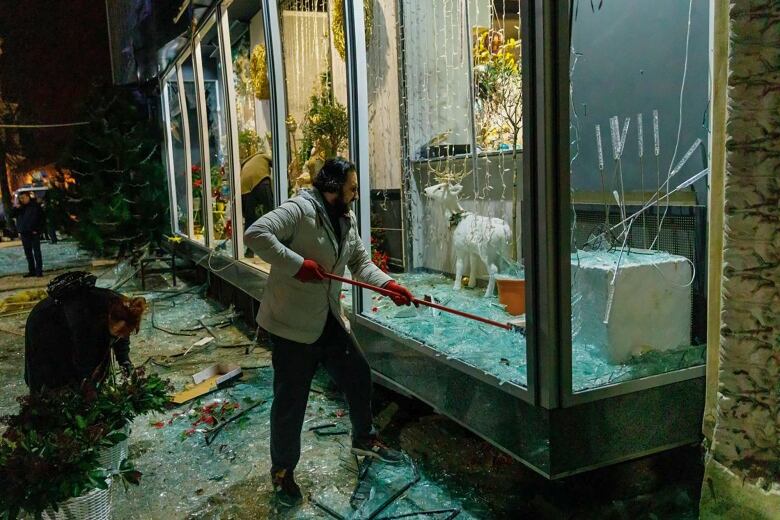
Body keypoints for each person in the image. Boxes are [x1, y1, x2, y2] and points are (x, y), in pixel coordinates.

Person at [244, 157, 415, 507]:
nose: (355, 195)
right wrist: (297, 265)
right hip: (293, 326)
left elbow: (360, 263)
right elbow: (255, 234)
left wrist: (390, 286)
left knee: (359, 375)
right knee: (291, 402)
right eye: (351, 188)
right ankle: (282, 471)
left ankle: (364, 439)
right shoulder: (299, 209)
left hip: (328, 321)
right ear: (333, 188)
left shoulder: (345, 219)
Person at [24, 271, 147, 393]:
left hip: (75, 325)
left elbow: (120, 337)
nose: (123, 335)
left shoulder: (123, 308)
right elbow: (82, 354)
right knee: (54, 380)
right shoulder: (84, 317)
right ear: (109, 319)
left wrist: (124, 359)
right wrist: (85, 381)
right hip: (46, 324)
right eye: (121, 331)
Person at [239, 152, 274, 258]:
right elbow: (277, 164)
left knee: (250, 218)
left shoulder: (246, 163)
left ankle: (249, 251)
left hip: (244, 187)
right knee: (272, 212)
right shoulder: (264, 155)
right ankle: (274, 247)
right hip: (260, 180)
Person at [11, 192, 44, 277]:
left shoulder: (35, 206)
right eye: (21, 198)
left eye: (24, 197)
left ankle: (39, 271)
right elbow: (12, 215)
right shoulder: (20, 208)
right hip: (24, 232)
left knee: (37, 252)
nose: (23, 199)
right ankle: (32, 271)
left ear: (28, 197)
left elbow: (41, 218)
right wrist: (15, 207)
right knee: (28, 253)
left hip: (33, 232)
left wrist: (37, 229)